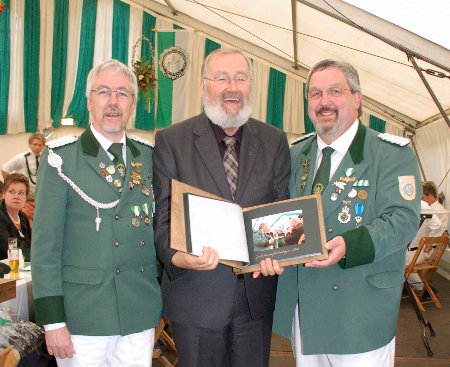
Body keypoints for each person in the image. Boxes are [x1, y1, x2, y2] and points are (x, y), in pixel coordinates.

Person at [260, 59, 421, 367]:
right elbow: (282, 218)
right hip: (305, 308)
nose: (324, 102)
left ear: (356, 99)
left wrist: (349, 245)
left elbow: (403, 219)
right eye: (315, 94)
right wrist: (267, 249)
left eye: (335, 91)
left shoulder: (390, 154)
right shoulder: (296, 154)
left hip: (358, 310)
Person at [153, 48, 290, 367]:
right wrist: (178, 257)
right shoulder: (172, 140)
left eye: (240, 78)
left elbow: (281, 215)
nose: (232, 86)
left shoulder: (274, 141)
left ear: (250, 85)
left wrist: (279, 252)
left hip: (255, 298)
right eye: (222, 78)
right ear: (203, 86)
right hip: (196, 298)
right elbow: (162, 218)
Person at [31, 59, 162, 367]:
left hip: (137, 313)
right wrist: (53, 322)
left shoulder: (151, 157)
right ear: (89, 101)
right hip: (82, 318)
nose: (113, 102)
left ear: (133, 104)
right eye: (104, 92)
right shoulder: (60, 159)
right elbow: (45, 249)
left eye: (122, 93)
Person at [0, 173, 32, 260]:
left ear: (26, 197)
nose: (16, 197)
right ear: (4, 194)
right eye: (11, 192)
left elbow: (34, 244)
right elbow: (10, 249)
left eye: (21, 193)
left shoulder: (23, 217)